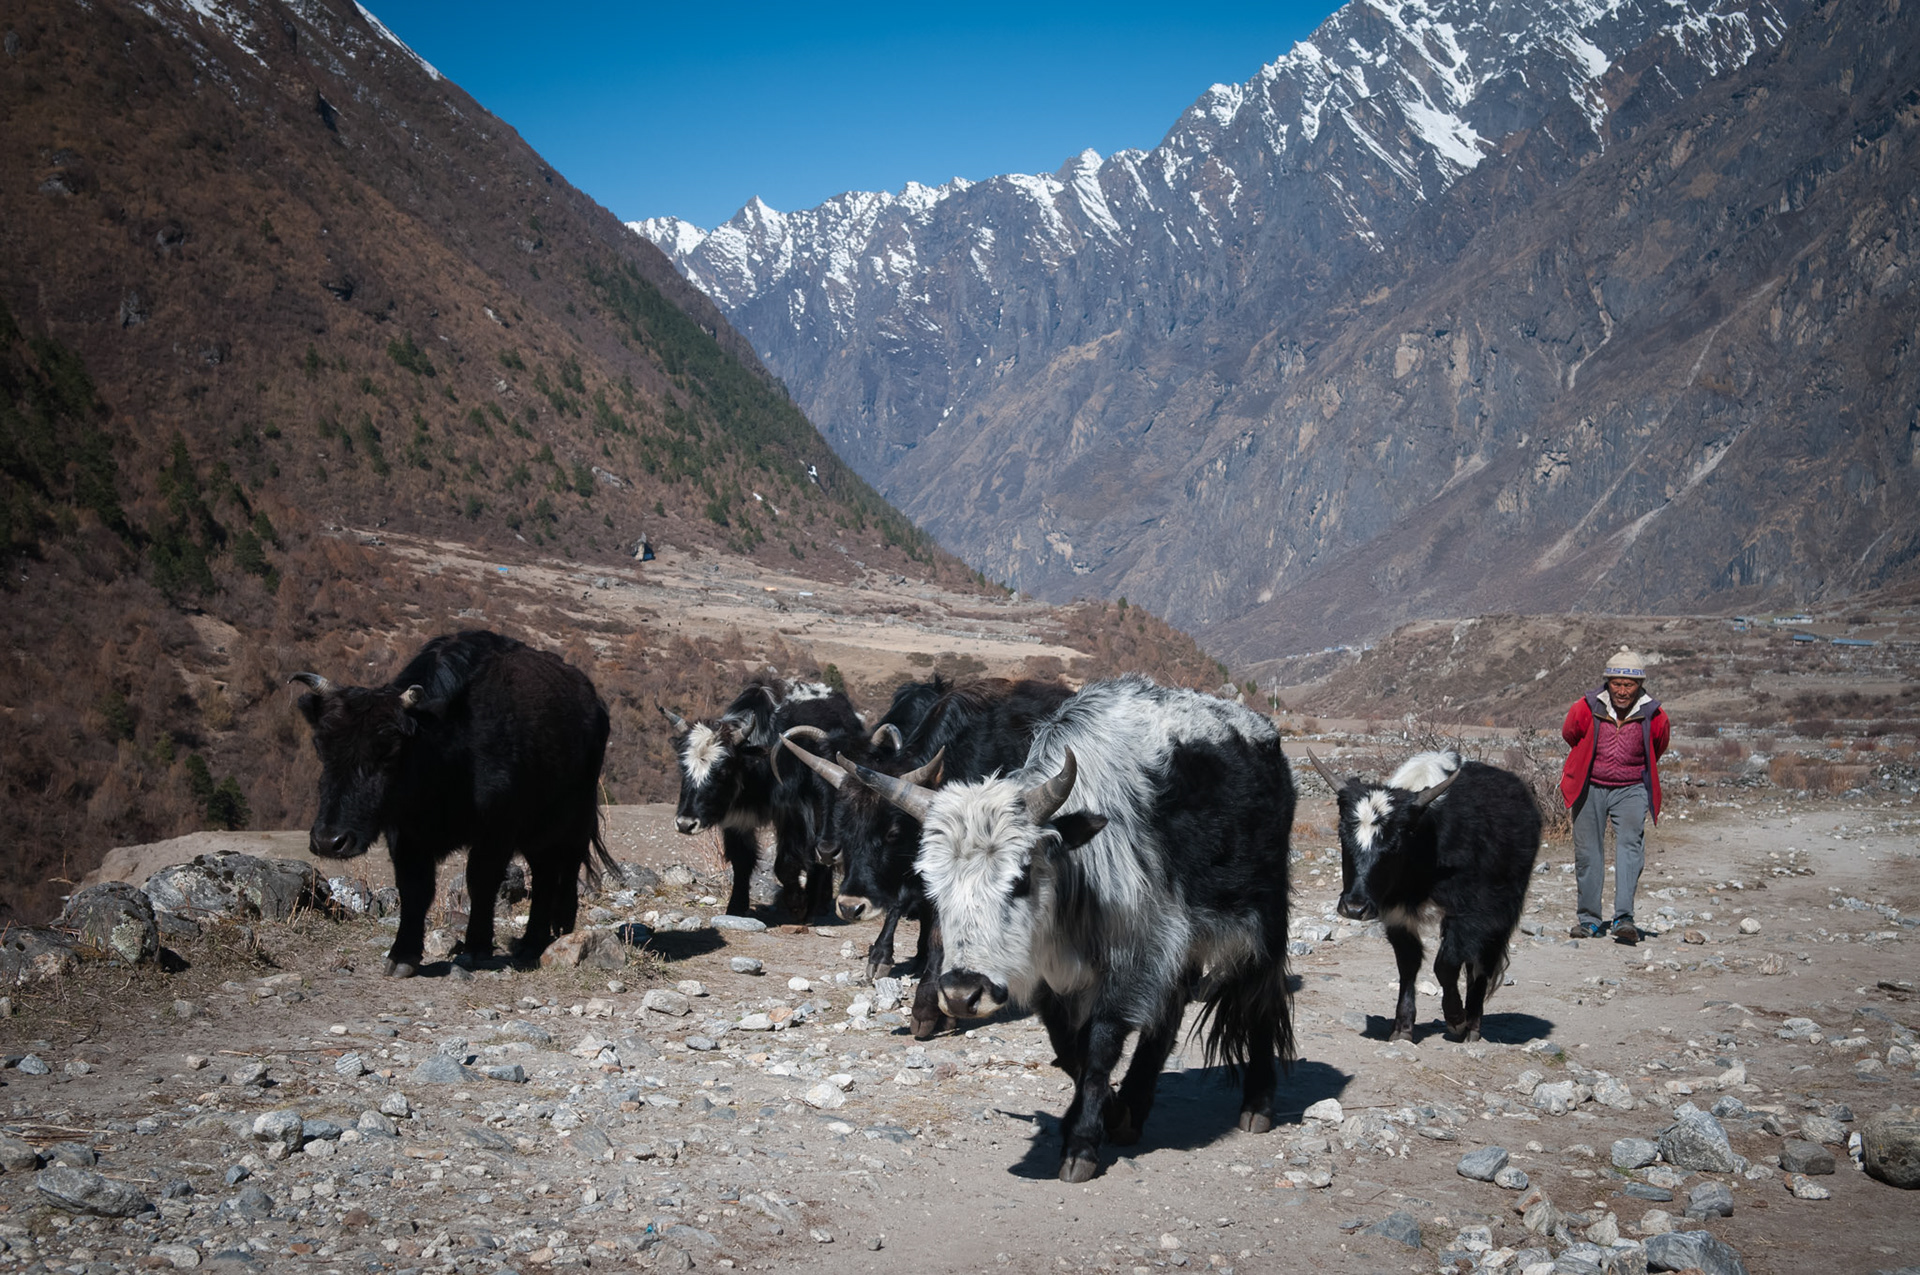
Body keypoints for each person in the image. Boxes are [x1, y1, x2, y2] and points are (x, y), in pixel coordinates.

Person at [1560, 649, 1671, 944]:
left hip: (1631, 788)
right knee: (1588, 853)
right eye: (1616, 684)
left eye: (1629, 685)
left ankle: (1624, 918)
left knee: (1630, 847)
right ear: (1607, 682)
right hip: (1590, 786)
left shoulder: (1654, 715)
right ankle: (1589, 920)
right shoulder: (1585, 708)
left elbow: (1657, 746)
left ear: (1640, 685)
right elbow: (1571, 734)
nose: (1622, 691)